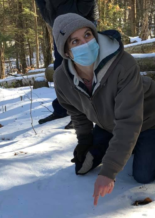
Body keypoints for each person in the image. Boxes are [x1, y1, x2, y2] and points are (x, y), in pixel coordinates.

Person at [52, 13, 155, 206]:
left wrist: (109, 173)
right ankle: (128, 145)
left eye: (88, 35)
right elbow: (76, 111)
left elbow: (129, 121)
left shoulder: (123, 64)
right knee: (84, 164)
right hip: (109, 123)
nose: (85, 43)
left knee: (143, 175)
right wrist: (84, 140)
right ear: (66, 51)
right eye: (75, 41)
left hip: (149, 117)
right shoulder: (61, 78)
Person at [35, 0, 98, 128]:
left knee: (83, 69)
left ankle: (83, 113)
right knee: (60, 69)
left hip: (81, 23)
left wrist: (79, 12)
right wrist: (52, 19)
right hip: (60, 27)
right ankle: (62, 109)